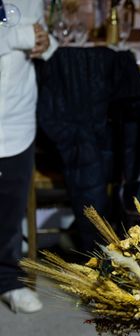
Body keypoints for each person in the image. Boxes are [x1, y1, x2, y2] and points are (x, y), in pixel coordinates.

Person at [0, 0, 56, 313]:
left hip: (17, 115)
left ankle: (8, 280)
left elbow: (38, 32)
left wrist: (46, 42)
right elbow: (19, 33)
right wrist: (20, 36)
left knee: (11, 204)